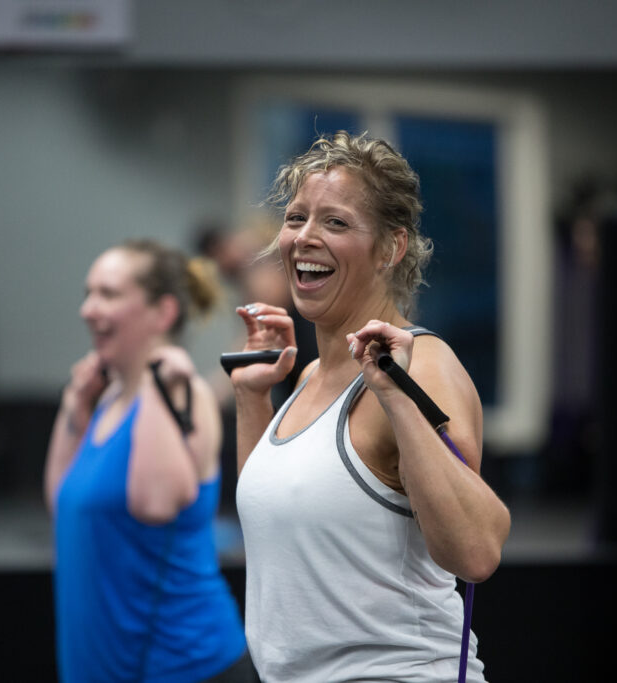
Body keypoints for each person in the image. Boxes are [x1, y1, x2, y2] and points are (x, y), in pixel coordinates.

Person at [230, 132, 511, 682]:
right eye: (296, 218)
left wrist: (398, 399)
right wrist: (252, 398)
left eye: (335, 223)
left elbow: (476, 552)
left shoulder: (422, 365)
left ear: (391, 248)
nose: (305, 237)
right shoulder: (310, 375)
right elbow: (279, 523)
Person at [44, 239, 254, 682]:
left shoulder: (186, 396)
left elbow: (155, 503)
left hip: (186, 667)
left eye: (108, 294)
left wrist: (158, 383)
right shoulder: (108, 398)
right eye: (88, 293)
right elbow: (61, 505)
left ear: (163, 313)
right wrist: (73, 408)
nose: (88, 309)